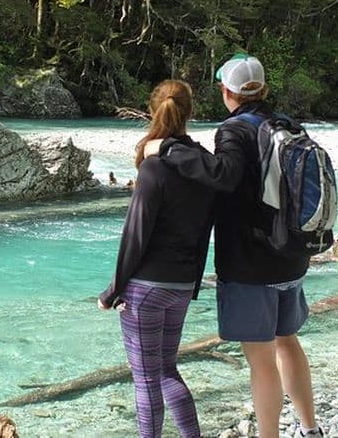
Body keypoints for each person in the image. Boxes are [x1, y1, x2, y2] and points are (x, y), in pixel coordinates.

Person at [149, 54, 323, 438]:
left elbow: (223, 176)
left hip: (251, 262)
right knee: (287, 342)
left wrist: (167, 150)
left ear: (227, 91)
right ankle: (310, 429)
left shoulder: (233, 130)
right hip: (292, 255)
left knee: (260, 359)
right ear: (264, 89)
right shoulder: (289, 126)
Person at [98, 79, 215, 438]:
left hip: (146, 289)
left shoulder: (154, 169)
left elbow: (136, 235)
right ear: (189, 113)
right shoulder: (206, 167)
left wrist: (113, 290)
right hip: (181, 285)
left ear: (153, 111)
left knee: (147, 379)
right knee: (167, 370)